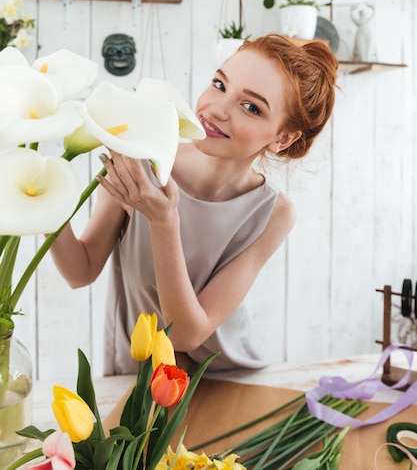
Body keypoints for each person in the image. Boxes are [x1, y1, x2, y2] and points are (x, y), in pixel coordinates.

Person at [50, 34, 338, 374]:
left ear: (283, 138)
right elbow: (80, 270)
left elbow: (186, 334)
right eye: (219, 84)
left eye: (251, 107)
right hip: (138, 378)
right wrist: (40, 201)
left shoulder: (273, 213)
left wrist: (164, 220)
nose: (216, 110)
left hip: (222, 381)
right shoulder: (140, 158)